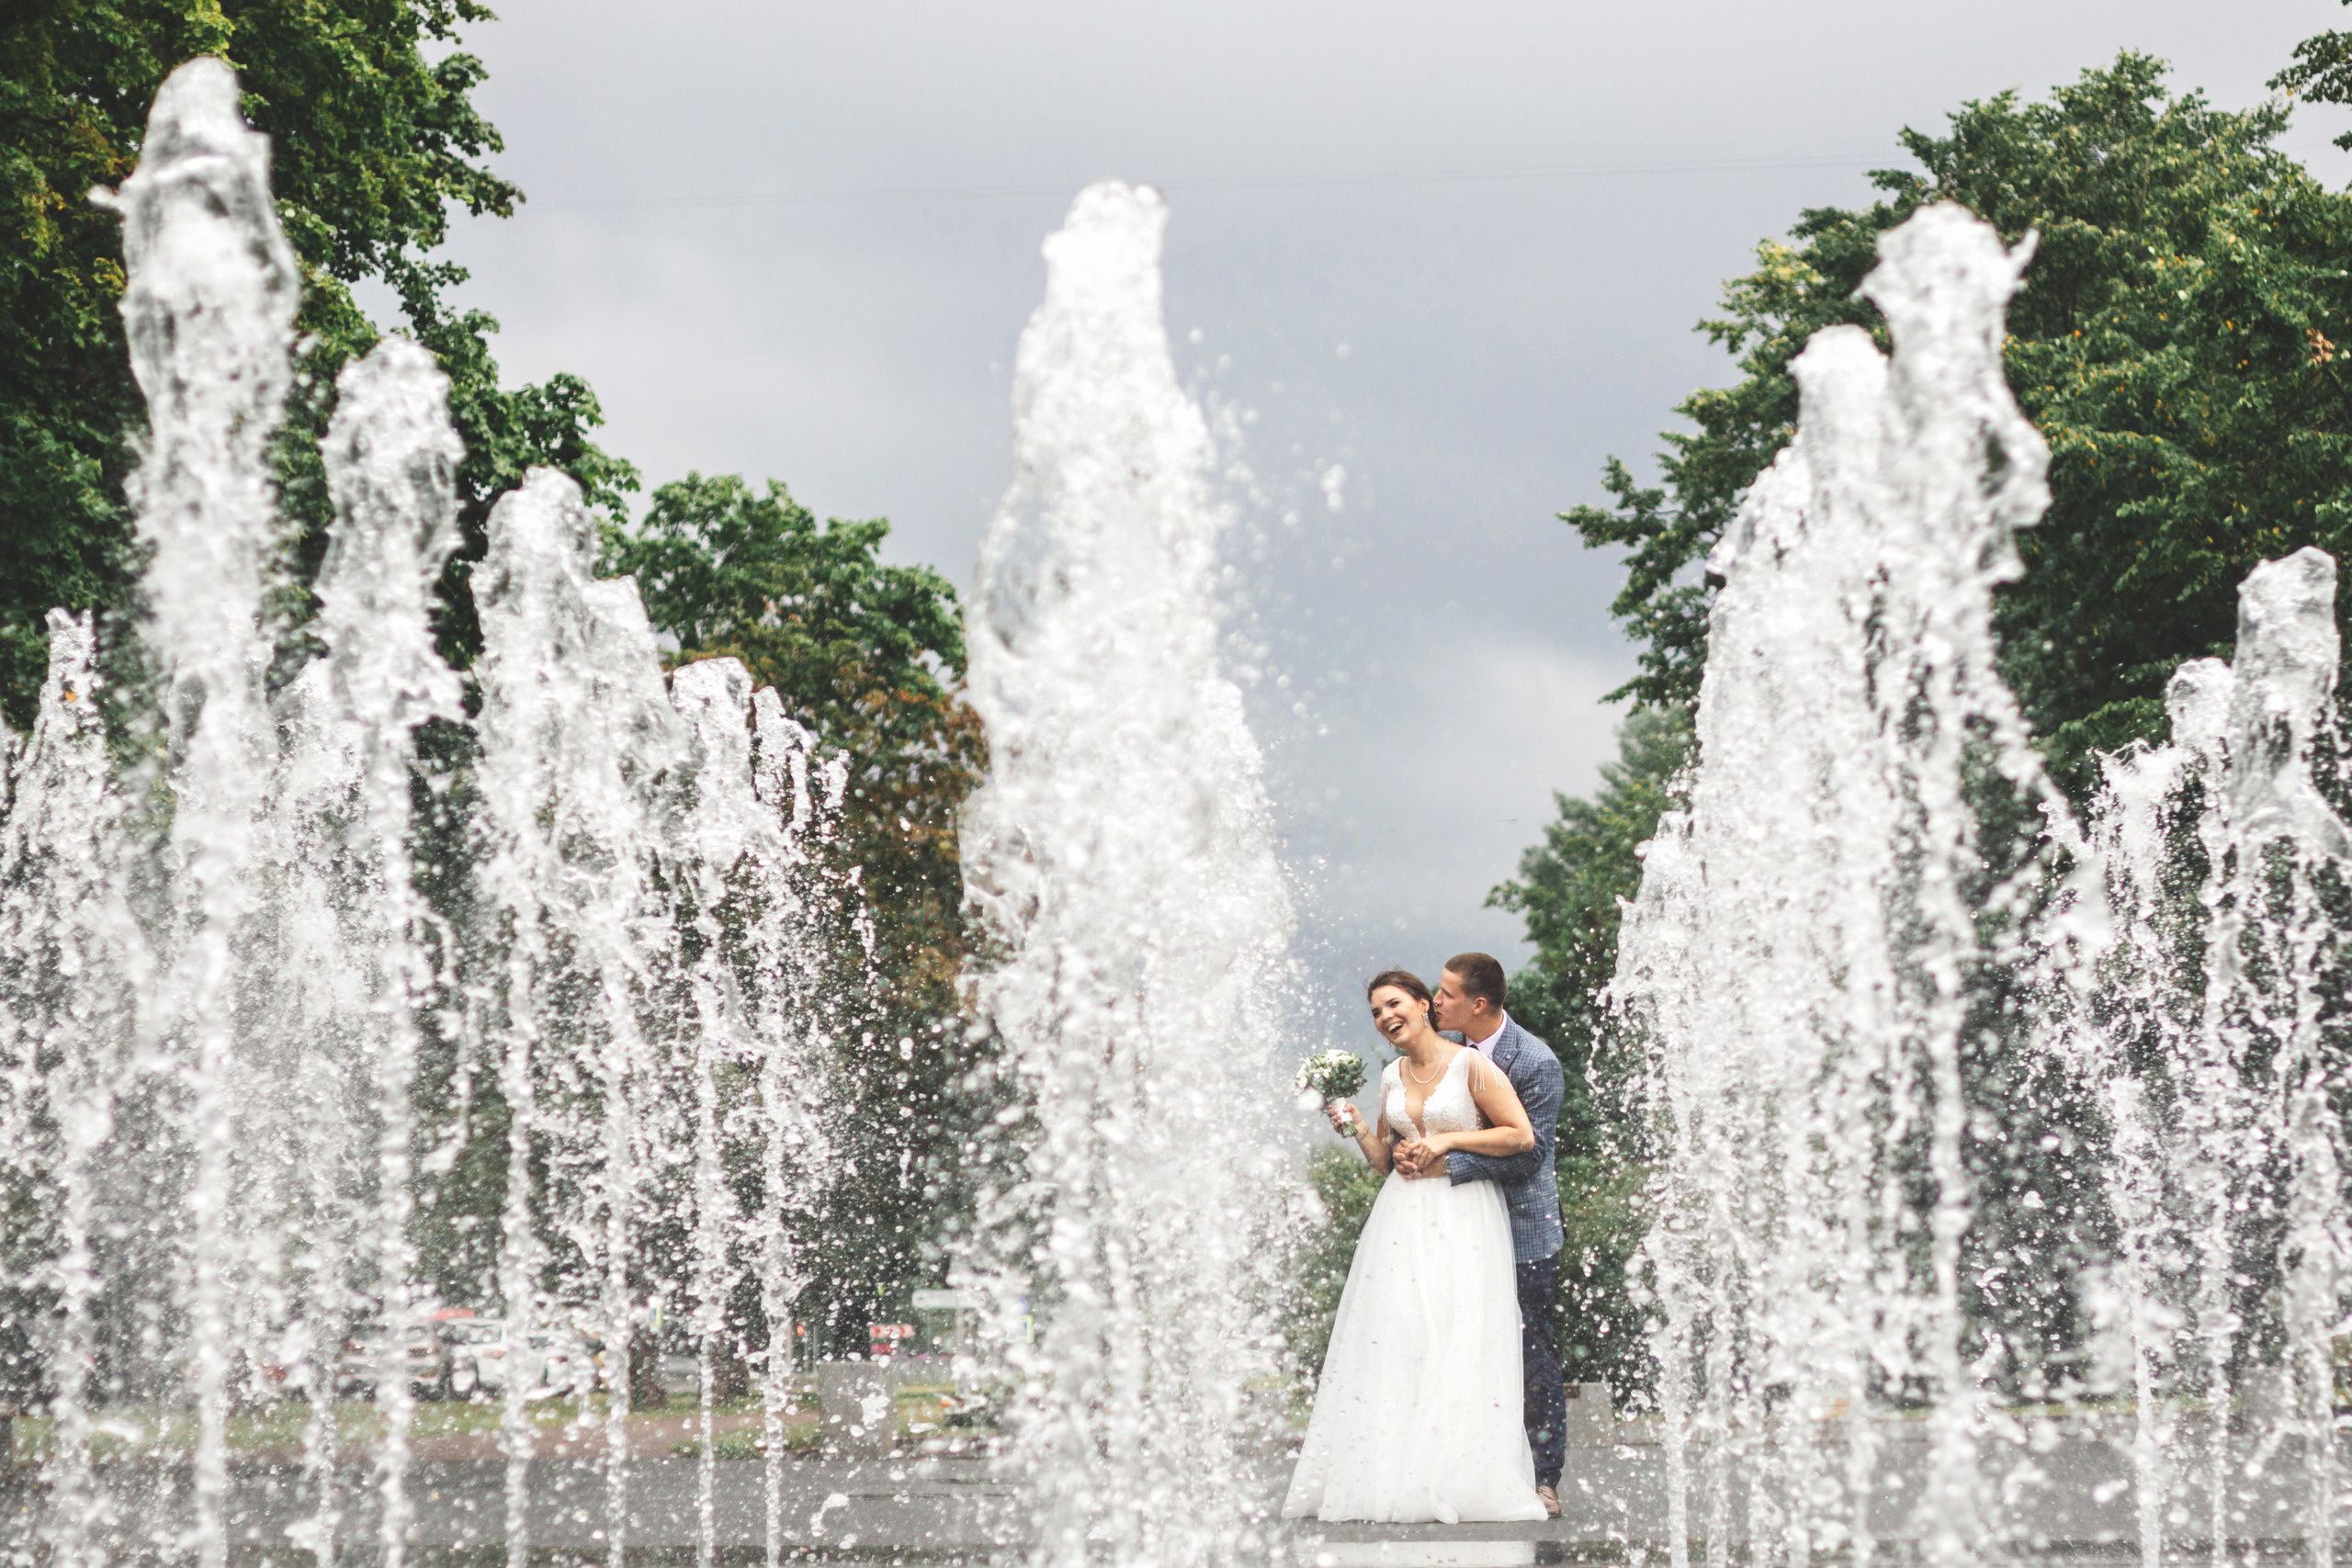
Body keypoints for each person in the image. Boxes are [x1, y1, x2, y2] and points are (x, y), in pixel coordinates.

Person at [1282, 969, 1550, 1524]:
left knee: (1458, 1331)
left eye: (1394, 1004)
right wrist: (1356, 1124)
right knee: (1402, 1334)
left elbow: (1520, 1134)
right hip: (1403, 1217)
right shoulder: (1389, 1076)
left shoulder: (1472, 1064)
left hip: (1466, 1214)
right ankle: (1400, 1471)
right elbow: (1385, 1160)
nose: (1384, 1018)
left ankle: (1460, 1474)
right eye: (1377, 1012)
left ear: (1425, 1005)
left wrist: (1447, 1137)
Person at [1397, 953, 1569, 1518]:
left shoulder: (1535, 1062)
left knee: (1528, 1351)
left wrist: (1447, 1162)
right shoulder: (1452, 1056)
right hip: (1462, 1228)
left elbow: (1530, 1156)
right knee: (1461, 1346)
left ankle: (1543, 1479)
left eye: (1445, 994)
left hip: (1521, 1230)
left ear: (1477, 1004)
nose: (1435, 1000)